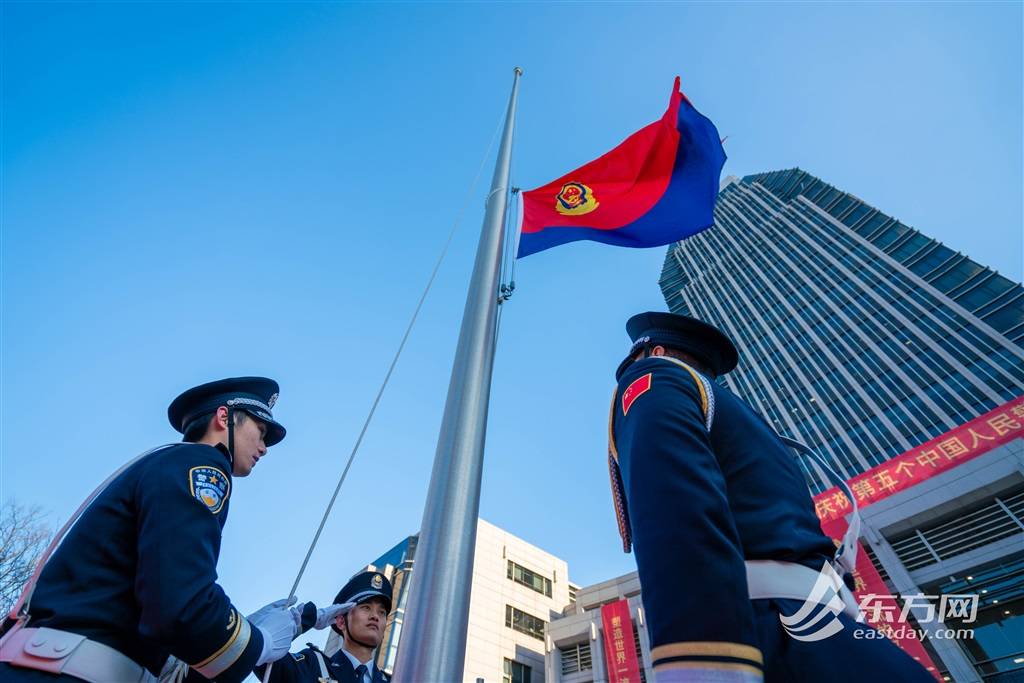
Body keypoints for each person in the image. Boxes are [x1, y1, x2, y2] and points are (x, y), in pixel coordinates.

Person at [608, 312, 934, 683]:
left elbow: (674, 506)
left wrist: (701, 658)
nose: (627, 372)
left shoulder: (654, 376)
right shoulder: (749, 421)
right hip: (825, 629)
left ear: (656, 351)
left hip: (761, 631)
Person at [0, 377, 305, 682]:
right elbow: (182, 608)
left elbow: (160, 627)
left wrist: (243, 629)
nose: (264, 448)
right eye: (260, 431)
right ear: (223, 417)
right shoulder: (202, 464)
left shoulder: (166, 464)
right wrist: (260, 642)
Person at [254, 571, 393, 683]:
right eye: (366, 608)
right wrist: (301, 622)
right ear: (340, 621)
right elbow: (255, 652)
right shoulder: (311, 666)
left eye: (382, 612)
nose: (375, 616)